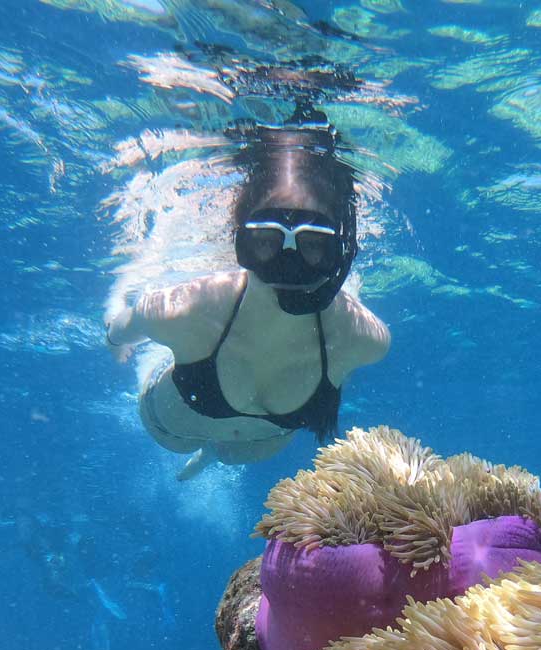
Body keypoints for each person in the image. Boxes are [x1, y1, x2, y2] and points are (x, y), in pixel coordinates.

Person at [104, 108, 390, 480]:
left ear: (343, 251)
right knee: (218, 445)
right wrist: (115, 339)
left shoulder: (363, 337)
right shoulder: (188, 310)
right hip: (174, 430)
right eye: (266, 241)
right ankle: (208, 453)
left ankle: (210, 456)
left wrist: (117, 340)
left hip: (250, 446)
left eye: (314, 245)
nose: (290, 265)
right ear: (241, 241)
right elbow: (120, 329)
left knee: (226, 453)